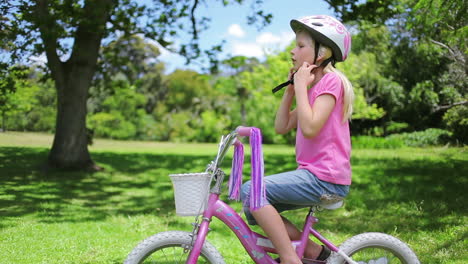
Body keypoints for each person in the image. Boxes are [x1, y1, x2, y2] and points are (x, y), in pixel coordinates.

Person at [241, 15, 354, 264]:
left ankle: (290, 258)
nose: (293, 50)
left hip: (326, 178)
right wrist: (292, 90)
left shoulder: (331, 82)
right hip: (313, 175)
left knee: (252, 190)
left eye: (301, 46)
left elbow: (311, 127)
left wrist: (302, 88)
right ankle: (314, 253)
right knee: (252, 204)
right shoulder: (312, 88)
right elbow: (281, 126)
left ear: (322, 53)